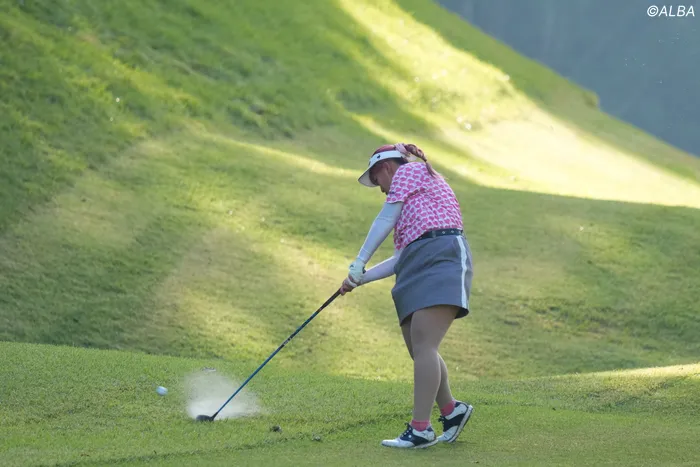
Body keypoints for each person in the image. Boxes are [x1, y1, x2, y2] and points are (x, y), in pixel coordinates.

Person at [340, 143, 474, 449]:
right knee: (419, 346)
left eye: (376, 180)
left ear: (386, 167)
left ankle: (420, 429)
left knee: (425, 344)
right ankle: (452, 411)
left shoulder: (410, 172)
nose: (380, 189)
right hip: (416, 261)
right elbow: (399, 259)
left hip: (441, 256)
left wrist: (359, 262)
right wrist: (359, 279)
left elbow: (383, 219)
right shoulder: (411, 205)